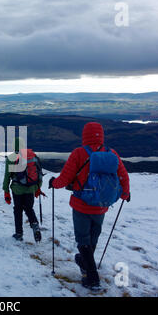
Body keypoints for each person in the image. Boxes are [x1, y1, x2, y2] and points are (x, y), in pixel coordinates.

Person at [49, 122, 130, 291]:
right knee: (93, 237)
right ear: (101, 135)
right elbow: (123, 176)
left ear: (84, 135)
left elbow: (65, 177)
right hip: (101, 205)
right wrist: (125, 193)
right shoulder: (111, 153)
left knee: (83, 239)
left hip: (81, 204)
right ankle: (84, 261)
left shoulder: (79, 153)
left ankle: (91, 278)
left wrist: (53, 183)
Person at [3, 137, 43, 242]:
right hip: (30, 188)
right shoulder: (32, 156)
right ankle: (35, 224)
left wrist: (6, 191)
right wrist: (38, 188)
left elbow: (7, 176)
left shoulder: (11, 158)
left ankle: (19, 233)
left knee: (18, 210)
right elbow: (38, 173)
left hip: (17, 189)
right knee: (29, 208)